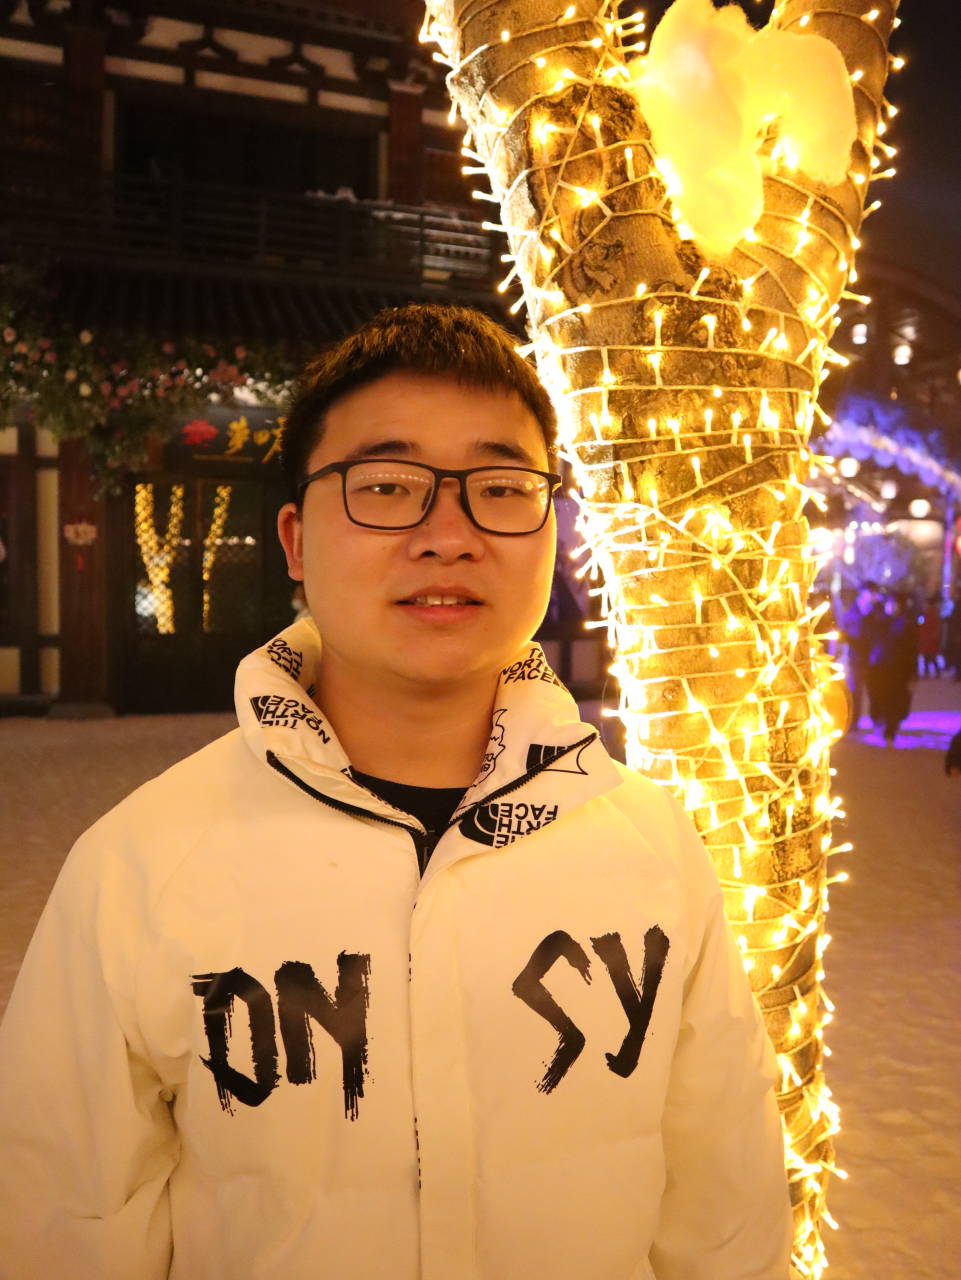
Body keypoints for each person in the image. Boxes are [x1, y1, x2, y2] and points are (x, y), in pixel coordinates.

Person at [0, 305, 792, 1279]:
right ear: (295, 540)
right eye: (385, 486)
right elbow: (61, 1224)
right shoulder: (140, 865)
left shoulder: (649, 842)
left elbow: (725, 1210)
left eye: (501, 488)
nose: (448, 535)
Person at [866, 592, 918, 745]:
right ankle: (880, 721)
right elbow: (868, 643)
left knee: (895, 700)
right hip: (878, 667)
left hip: (898, 669)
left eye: (895, 604)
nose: (892, 607)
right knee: (878, 697)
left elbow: (912, 650)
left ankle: (890, 729)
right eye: (890, 604)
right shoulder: (877, 621)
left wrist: (913, 672)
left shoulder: (906, 624)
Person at [838, 580, 881, 729]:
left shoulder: (877, 613)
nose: (875, 596)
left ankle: (876, 719)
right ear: (863, 593)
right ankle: (853, 721)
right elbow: (842, 634)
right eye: (872, 592)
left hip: (874, 658)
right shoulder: (851, 612)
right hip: (855, 658)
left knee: (875, 689)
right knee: (854, 691)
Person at [917, 594, 942, 677]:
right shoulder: (932, 612)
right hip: (928, 636)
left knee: (930, 655)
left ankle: (929, 671)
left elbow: (922, 623)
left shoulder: (930, 612)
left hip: (928, 636)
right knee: (929, 655)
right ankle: (929, 671)